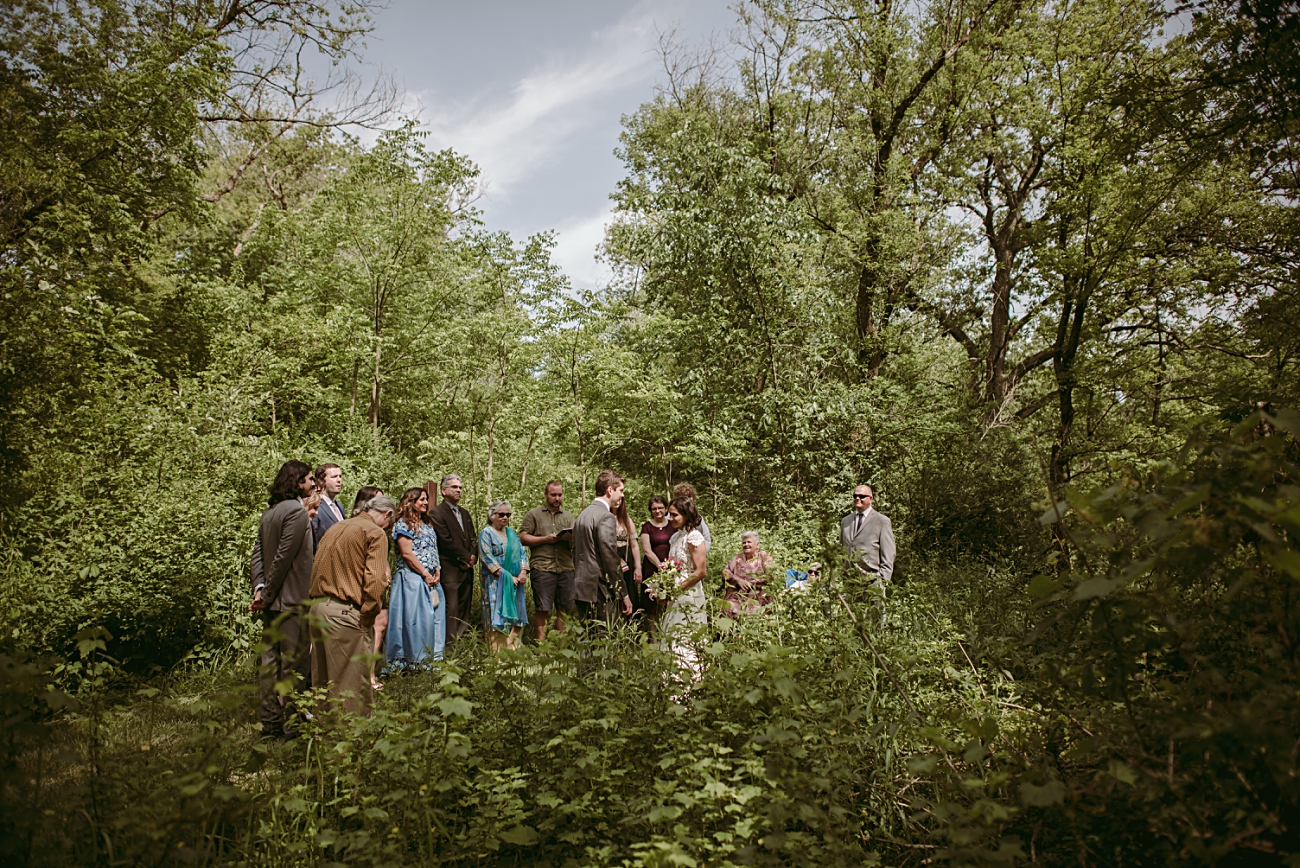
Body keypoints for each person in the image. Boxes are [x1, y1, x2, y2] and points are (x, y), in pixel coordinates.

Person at [309, 494, 395, 717]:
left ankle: (321, 735)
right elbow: (375, 581)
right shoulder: (374, 533)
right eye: (390, 523)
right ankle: (348, 738)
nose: (387, 528)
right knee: (351, 686)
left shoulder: (336, 527)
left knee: (323, 684)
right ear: (387, 514)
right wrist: (368, 615)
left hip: (317, 609)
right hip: (345, 613)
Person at [249, 460, 315, 739]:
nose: (314, 484)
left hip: (273, 602)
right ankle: (292, 727)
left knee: (270, 665)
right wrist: (266, 593)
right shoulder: (296, 512)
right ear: (298, 482)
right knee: (293, 666)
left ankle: (270, 725)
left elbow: (257, 555)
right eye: (310, 479)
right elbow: (282, 557)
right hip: (291, 601)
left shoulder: (270, 512)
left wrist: (260, 588)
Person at [386, 487, 444, 669]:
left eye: (426, 499)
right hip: (412, 578)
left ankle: (433, 657)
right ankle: (412, 660)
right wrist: (425, 573)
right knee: (414, 620)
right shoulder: (403, 525)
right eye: (421, 499)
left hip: (431, 578)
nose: (425, 503)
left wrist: (437, 570)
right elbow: (407, 554)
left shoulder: (427, 524)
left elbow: (433, 549)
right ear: (410, 502)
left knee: (434, 618)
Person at [572, 470, 633, 628]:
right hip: (600, 590)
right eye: (621, 490)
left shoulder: (582, 515)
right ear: (610, 490)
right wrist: (624, 594)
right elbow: (610, 558)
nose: (622, 495)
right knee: (606, 638)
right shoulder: (606, 516)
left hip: (581, 588)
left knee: (586, 638)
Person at [518, 480, 576, 641]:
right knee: (542, 609)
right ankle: (542, 648)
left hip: (565, 567)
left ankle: (561, 647)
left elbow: (574, 545)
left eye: (560, 495)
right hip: (542, 567)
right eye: (553, 495)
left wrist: (571, 537)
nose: (557, 498)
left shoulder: (569, 517)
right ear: (546, 495)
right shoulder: (533, 515)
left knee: (565, 609)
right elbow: (522, 538)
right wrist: (545, 539)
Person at [427, 475, 478, 647]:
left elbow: (473, 538)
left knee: (465, 607)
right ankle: (448, 647)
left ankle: (460, 645)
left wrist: (473, 557)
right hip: (450, 568)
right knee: (452, 607)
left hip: (467, 568)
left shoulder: (464, 513)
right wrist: (465, 557)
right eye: (454, 487)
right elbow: (445, 540)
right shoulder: (437, 513)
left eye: (460, 487)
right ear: (443, 490)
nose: (458, 490)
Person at [660, 496, 709, 670]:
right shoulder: (675, 537)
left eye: (674, 515)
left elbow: (701, 571)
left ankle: (690, 673)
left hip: (689, 594)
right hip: (675, 593)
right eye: (669, 514)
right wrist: (664, 587)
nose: (670, 518)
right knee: (672, 632)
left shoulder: (694, 537)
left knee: (687, 633)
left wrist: (677, 589)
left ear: (686, 514)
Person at [477, 500, 530, 652]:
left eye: (508, 514)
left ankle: (513, 653)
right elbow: (486, 557)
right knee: (496, 615)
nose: (505, 517)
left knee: (516, 617)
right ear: (492, 515)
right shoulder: (486, 533)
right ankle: (497, 655)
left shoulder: (511, 534)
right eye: (501, 514)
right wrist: (507, 576)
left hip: (515, 583)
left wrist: (523, 572)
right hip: (495, 583)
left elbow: (522, 554)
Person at [351, 485, 389, 687]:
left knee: (381, 625)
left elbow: (382, 554)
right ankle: (362, 674)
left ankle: (372, 671)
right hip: (366, 583)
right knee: (365, 627)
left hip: (380, 580)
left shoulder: (381, 529)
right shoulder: (358, 526)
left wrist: (386, 571)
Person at [840, 484, 896, 616]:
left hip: (873, 580)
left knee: (875, 619)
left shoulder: (881, 521)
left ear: (871, 498)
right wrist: (844, 575)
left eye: (862, 496)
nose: (857, 498)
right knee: (851, 619)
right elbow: (842, 549)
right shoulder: (846, 521)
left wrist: (883, 580)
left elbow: (889, 552)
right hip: (851, 582)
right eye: (855, 496)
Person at [722, 531, 776, 617]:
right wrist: (738, 580)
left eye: (749, 542)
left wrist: (753, 583)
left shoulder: (763, 557)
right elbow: (725, 572)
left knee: (752, 613)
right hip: (737, 596)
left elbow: (773, 576)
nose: (746, 544)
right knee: (728, 607)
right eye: (744, 542)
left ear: (757, 545)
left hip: (758, 597)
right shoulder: (738, 558)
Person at [640, 495, 673, 621]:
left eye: (660, 508)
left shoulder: (673, 525)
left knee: (669, 601)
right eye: (654, 509)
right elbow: (647, 550)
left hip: (671, 569)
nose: (657, 511)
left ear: (666, 509)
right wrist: (659, 565)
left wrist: (670, 566)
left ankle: (668, 629)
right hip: (652, 569)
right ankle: (653, 633)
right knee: (652, 604)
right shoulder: (647, 527)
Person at [613, 494, 643, 620]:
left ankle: (631, 624)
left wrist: (638, 567)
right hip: (611, 558)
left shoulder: (627, 520)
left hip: (626, 559)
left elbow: (634, 545)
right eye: (616, 499)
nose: (618, 502)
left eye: (621, 499)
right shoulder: (604, 519)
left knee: (629, 590)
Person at [311, 463, 346, 545]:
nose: (339, 480)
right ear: (321, 481)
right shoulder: (316, 505)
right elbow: (312, 538)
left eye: (340, 476)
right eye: (334, 477)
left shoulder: (339, 506)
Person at [672, 482, 712, 547]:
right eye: (683, 496)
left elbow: (706, 539)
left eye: (689, 496)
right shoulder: (670, 517)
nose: (687, 499)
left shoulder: (697, 518)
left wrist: (699, 550)